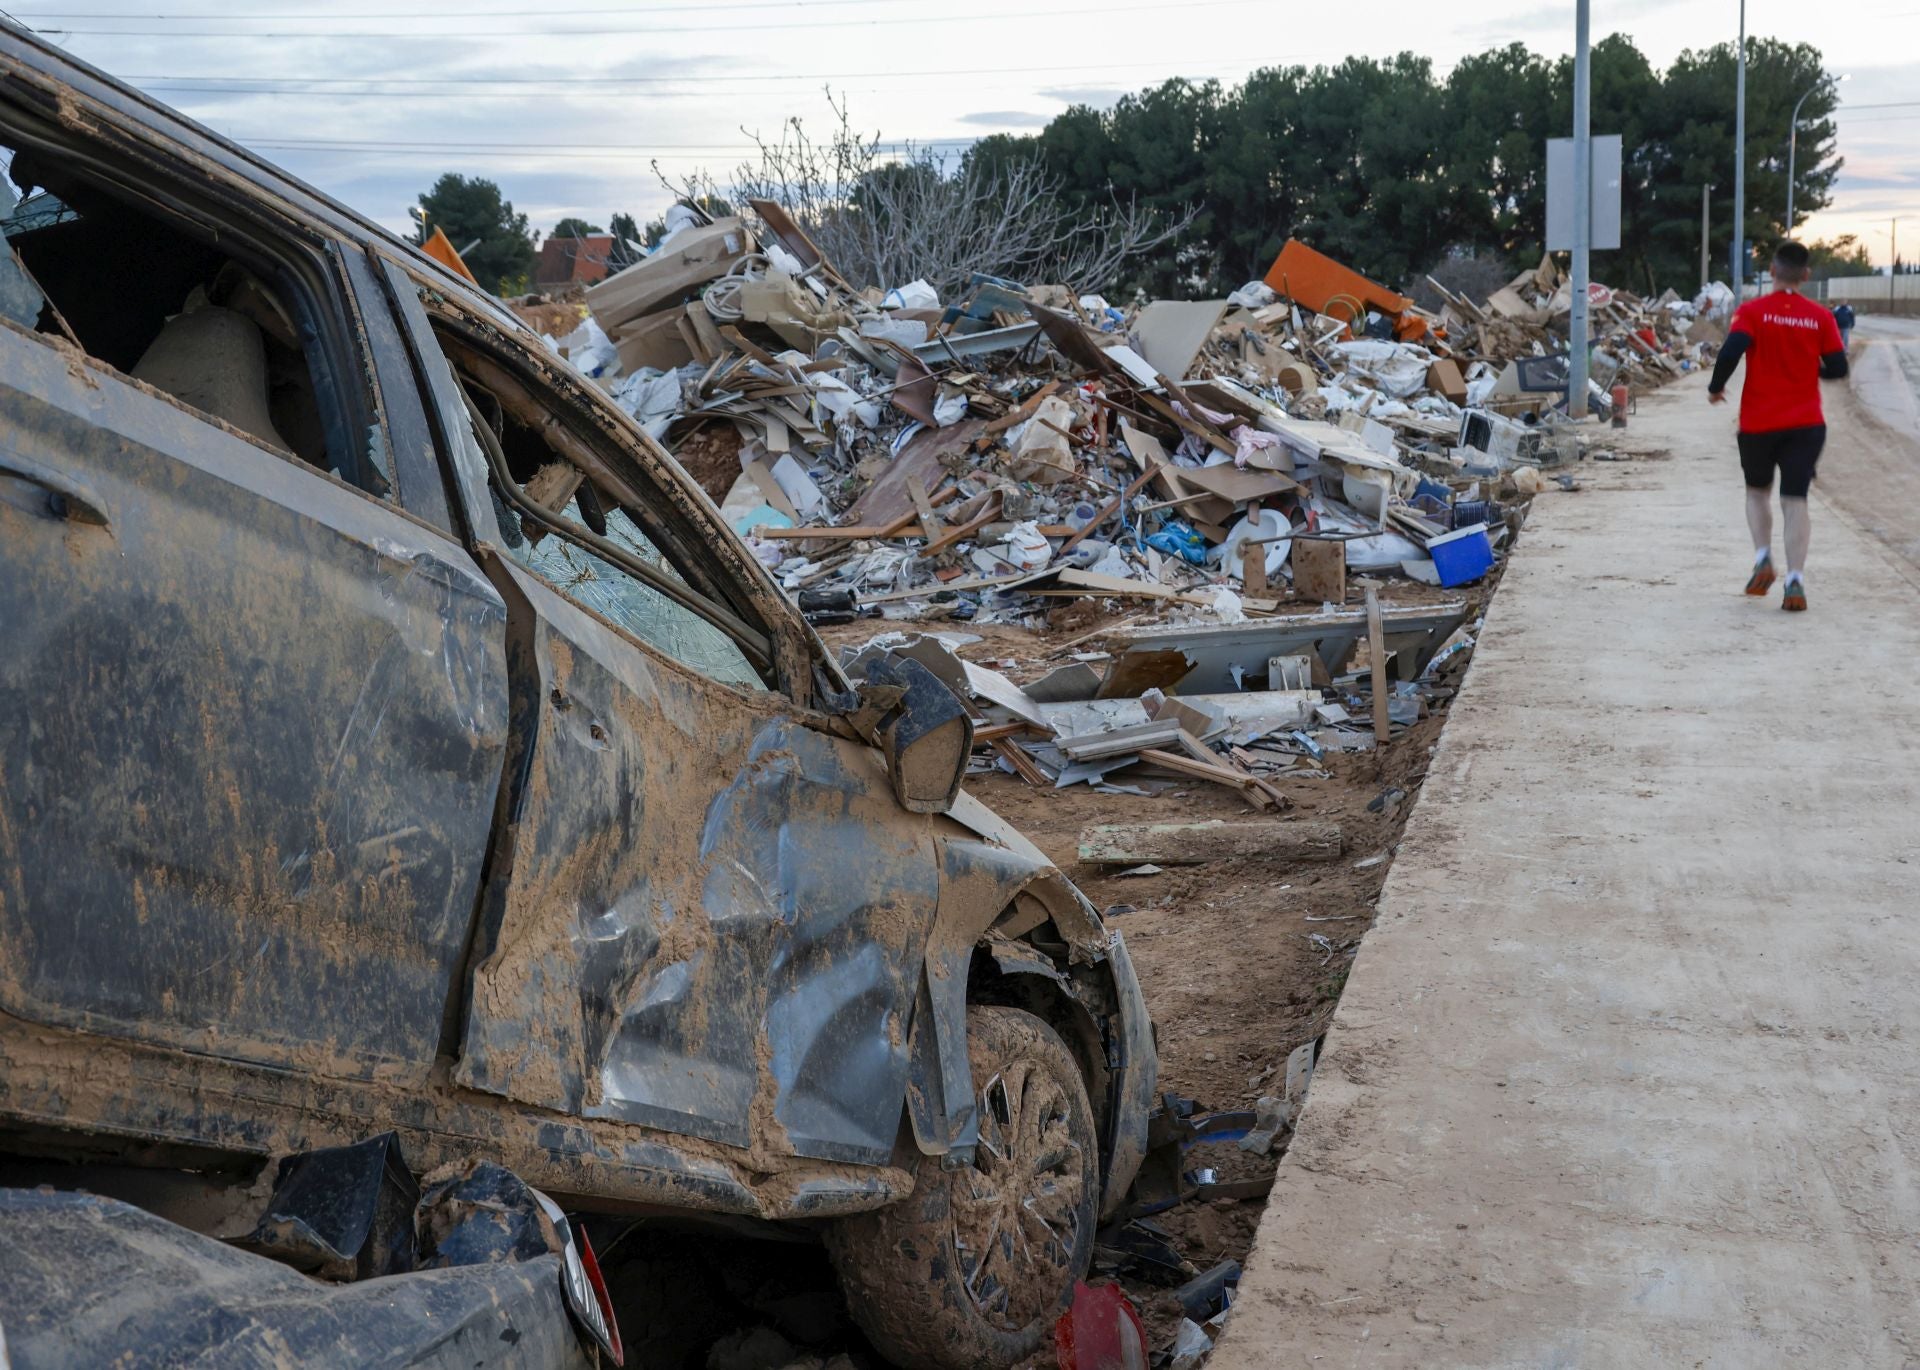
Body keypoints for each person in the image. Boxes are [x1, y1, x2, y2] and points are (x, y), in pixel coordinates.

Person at [1707, 242, 1850, 612]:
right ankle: (1795, 581)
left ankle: (1762, 558)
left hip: (1758, 423)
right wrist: (1808, 368)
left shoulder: (1752, 312)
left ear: (1771, 271)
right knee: (1795, 499)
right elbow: (1838, 369)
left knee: (1757, 492)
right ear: (1806, 275)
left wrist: (1716, 387)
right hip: (1806, 424)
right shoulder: (1820, 317)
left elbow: (1731, 350)